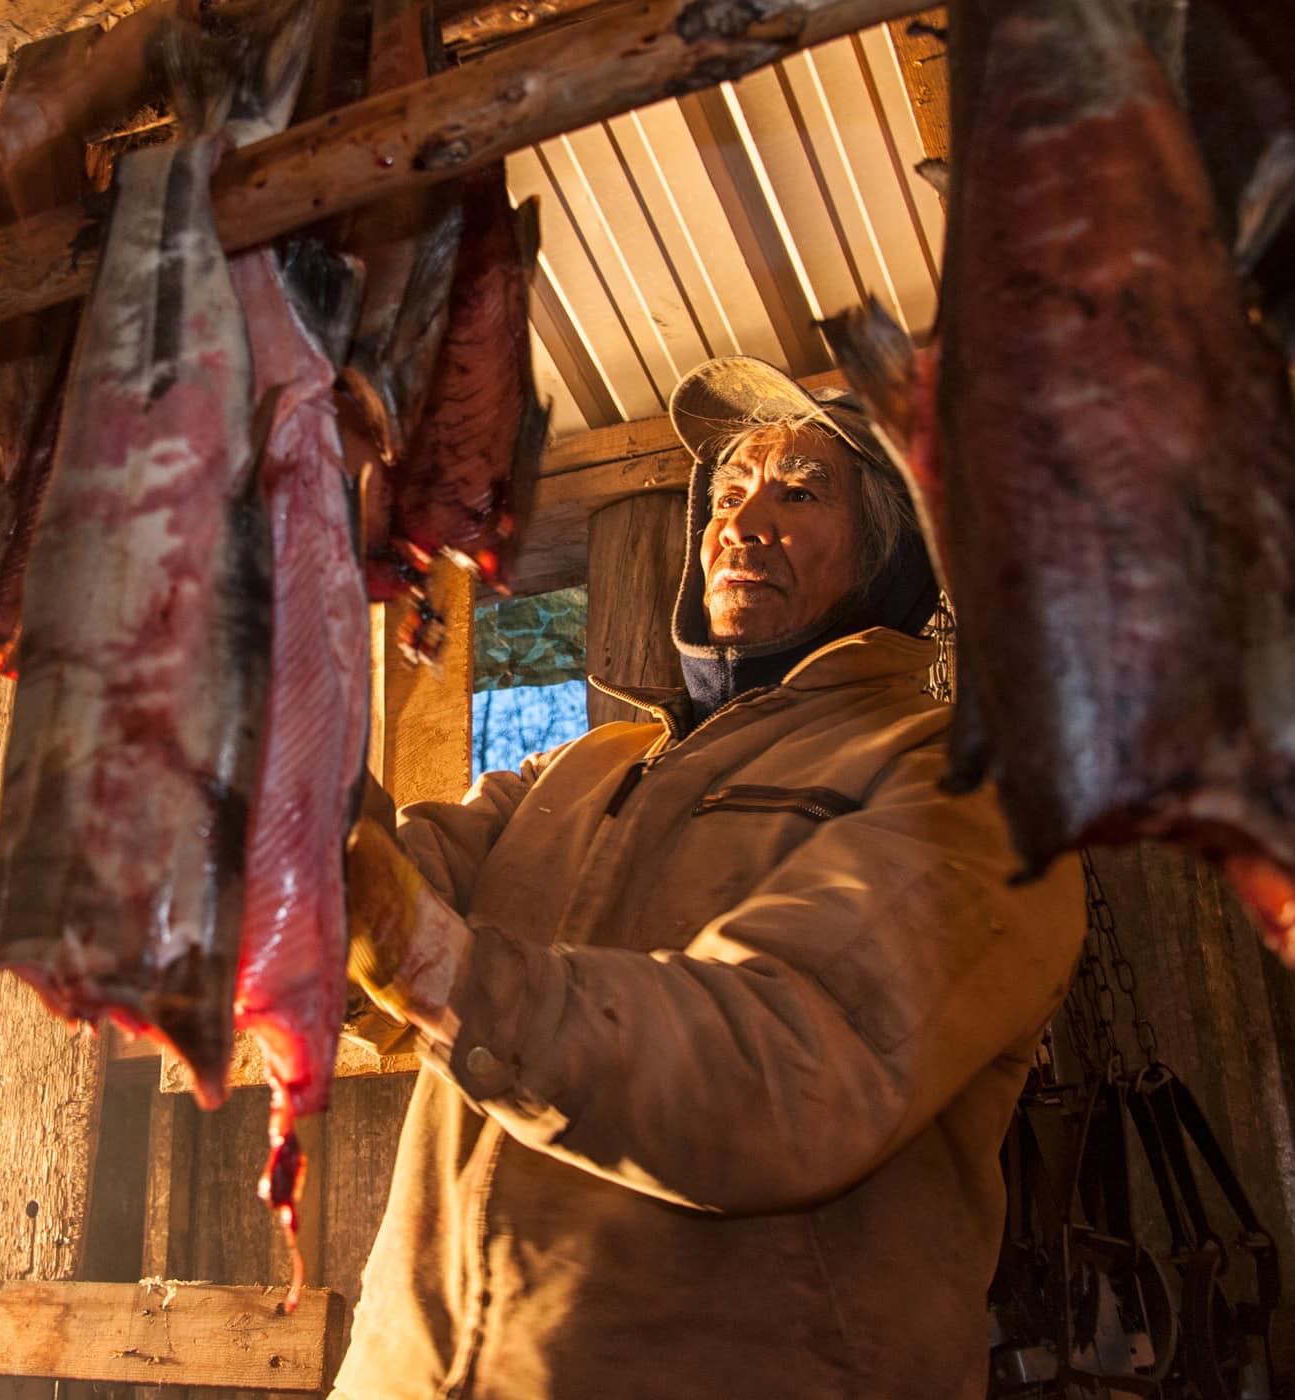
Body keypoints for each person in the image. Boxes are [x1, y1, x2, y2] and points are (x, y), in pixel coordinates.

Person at [332, 357, 1085, 1399]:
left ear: (892, 550)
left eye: (799, 489)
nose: (741, 520)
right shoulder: (581, 764)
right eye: (727, 492)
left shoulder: (963, 781)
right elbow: (359, 912)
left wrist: (429, 959)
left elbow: (790, 1062)